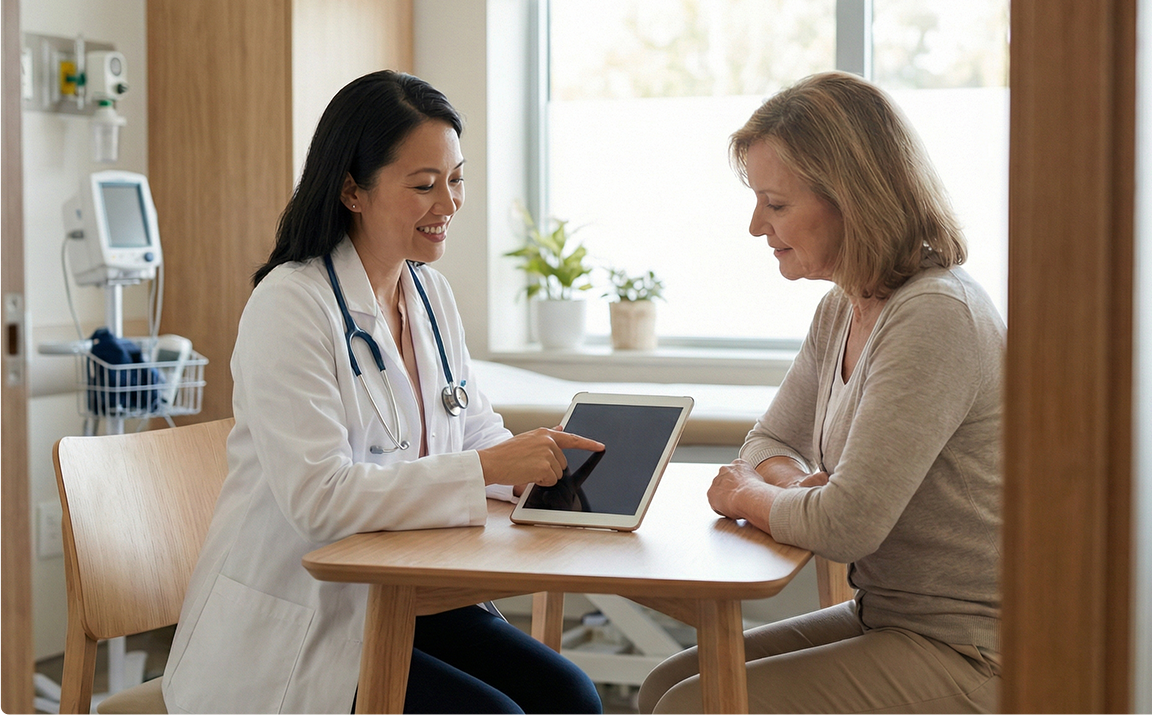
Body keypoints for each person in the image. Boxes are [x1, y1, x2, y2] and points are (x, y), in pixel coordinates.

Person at [161, 71, 604, 715]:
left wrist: (542, 476)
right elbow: (320, 497)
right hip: (304, 620)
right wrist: (484, 470)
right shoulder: (291, 304)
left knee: (570, 696)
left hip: (407, 596)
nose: (449, 204)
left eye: (455, 179)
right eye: (424, 185)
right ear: (352, 190)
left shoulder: (429, 294)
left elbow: (475, 429)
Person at [639, 72, 1005, 715]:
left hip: (972, 649)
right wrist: (784, 487)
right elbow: (769, 441)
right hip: (887, 616)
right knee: (663, 687)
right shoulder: (844, 307)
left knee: (688, 708)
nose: (757, 226)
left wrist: (750, 495)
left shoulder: (935, 316)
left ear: (853, 201)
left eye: (775, 204)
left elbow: (846, 524)